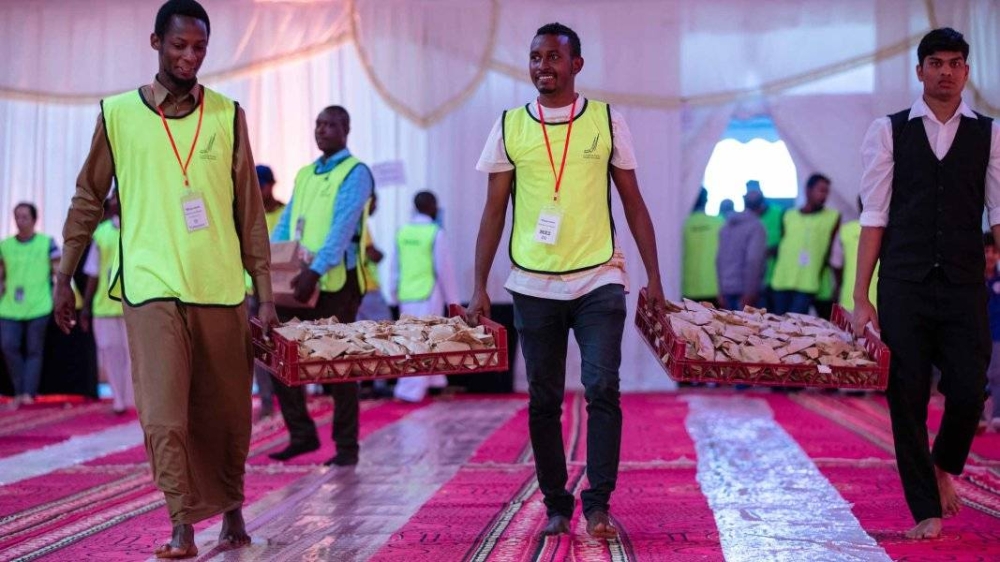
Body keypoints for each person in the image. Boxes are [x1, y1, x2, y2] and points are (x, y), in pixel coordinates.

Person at [53, 1, 276, 556]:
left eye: (199, 47)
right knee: (162, 415)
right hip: (149, 287)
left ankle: (231, 511)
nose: (189, 56)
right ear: (156, 42)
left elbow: (249, 211)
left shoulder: (227, 114)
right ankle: (181, 523)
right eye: (179, 45)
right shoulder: (120, 115)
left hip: (220, 288)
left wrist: (265, 296)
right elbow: (88, 196)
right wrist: (65, 275)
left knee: (225, 413)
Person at [469, 22, 665, 539]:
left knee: (602, 386)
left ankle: (597, 503)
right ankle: (557, 502)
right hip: (532, 285)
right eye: (535, 57)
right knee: (543, 398)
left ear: (576, 64)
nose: (542, 66)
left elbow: (633, 203)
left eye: (554, 57)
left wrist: (655, 277)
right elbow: (493, 211)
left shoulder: (605, 120)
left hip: (601, 277)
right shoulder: (510, 124)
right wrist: (478, 285)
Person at [852, 27, 1000, 540]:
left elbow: (999, 214)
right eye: (934, 62)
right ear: (919, 71)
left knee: (968, 389)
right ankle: (925, 509)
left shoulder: (990, 134)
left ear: (966, 70)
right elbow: (874, 214)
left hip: (963, 283)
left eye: (955, 62)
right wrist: (860, 295)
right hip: (903, 283)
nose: (944, 71)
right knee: (906, 396)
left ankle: (942, 466)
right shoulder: (887, 130)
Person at [267, 105, 373, 467]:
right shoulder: (306, 173)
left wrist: (315, 269)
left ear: (346, 130)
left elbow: (342, 228)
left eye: (331, 125)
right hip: (297, 281)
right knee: (281, 357)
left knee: (340, 366)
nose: (322, 130)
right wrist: (272, 261)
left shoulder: (355, 173)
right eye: (318, 124)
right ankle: (302, 435)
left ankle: (346, 448)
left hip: (336, 284)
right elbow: (287, 223)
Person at [389, 190, 459, 402]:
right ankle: (409, 390)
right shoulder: (435, 232)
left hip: (406, 294)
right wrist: (453, 301)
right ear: (433, 206)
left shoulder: (402, 232)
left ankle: (435, 383)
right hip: (429, 292)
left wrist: (393, 293)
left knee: (411, 338)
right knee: (424, 340)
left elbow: (394, 266)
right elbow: (444, 269)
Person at [0, 202, 60, 408]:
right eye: (17, 217)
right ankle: (18, 390)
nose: (20, 221)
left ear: (34, 219)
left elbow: (58, 271)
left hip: (39, 303)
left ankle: (28, 392)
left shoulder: (47, 243)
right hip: (10, 306)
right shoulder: (5, 245)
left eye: (25, 217)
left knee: (34, 350)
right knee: (8, 345)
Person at [81, 190, 134, 414]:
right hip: (104, 306)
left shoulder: (140, 226)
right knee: (111, 355)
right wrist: (85, 307)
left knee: (134, 356)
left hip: (135, 304)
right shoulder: (101, 233)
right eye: (113, 197)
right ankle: (119, 401)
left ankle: (134, 402)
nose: (115, 201)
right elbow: (93, 272)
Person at [770, 173, 840, 315]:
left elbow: (832, 251)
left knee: (795, 328)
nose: (824, 196)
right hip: (781, 281)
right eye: (821, 190)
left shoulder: (833, 217)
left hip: (808, 282)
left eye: (827, 192)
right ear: (808, 190)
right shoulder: (788, 215)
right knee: (777, 327)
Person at [247, 164, 284, 419]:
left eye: (262, 185)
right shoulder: (249, 214)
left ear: (271, 185)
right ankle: (267, 400)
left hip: (283, 292)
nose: (259, 191)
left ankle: (292, 400)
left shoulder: (286, 213)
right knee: (259, 348)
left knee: (285, 347)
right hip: (254, 291)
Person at [355, 190, 394, 398]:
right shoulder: (362, 222)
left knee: (360, 338)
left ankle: (363, 383)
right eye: (376, 202)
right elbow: (372, 253)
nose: (377, 207)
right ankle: (380, 383)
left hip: (355, 290)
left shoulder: (349, 219)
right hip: (368, 288)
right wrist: (382, 254)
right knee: (383, 334)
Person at [716, 198, 767, 310]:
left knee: (727, 327)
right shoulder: (757, 226)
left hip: (726, 290)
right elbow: (754, 260)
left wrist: (720, 291)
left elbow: (719, 260)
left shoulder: (726, 226)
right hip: (745, 292)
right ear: (761, 207)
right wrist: (750, 293)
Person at [830, 197, 878, 312]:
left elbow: (836, 264)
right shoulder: (889, 231)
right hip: (883, 303)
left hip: (850, 300)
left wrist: (837, 288)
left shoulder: (845, 230)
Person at [744, 180, 784, 308]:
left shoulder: (779, 213)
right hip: (754, 282)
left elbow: (788, 240)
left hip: (776, 279)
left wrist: (772, 250)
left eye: (755, 192)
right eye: (749, 193)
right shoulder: (745, 218)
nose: (752, 195)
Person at [681, 187, 723, 302]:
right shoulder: (719, 222)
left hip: (687, 287)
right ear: (706, 200)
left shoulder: (683, 223)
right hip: (713, 287)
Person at [984, 232, 1000, 433]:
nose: (989, 255)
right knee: (977, 375)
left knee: (996, 374)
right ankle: (976, 417)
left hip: (997, 335)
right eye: (986, 251)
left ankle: (997, 415)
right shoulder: (973, 280)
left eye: (994, 252)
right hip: (976, 334)